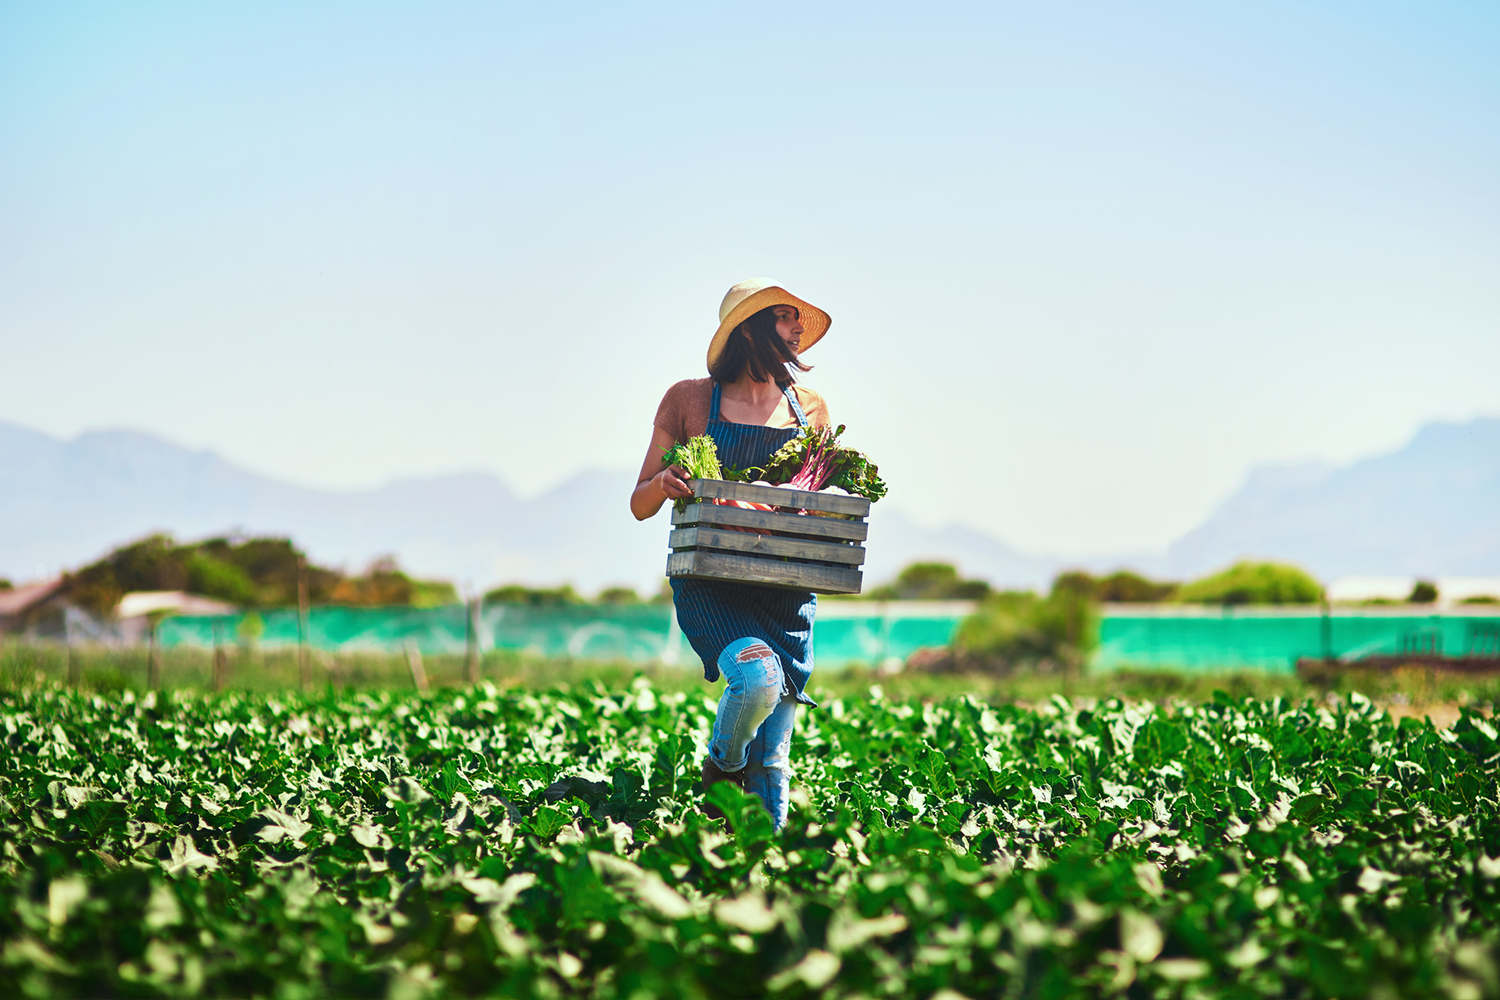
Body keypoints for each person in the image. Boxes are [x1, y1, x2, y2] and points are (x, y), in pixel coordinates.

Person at [630, 277, 833, 831]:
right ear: (749, 328)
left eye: (798, 318)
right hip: (711, 584)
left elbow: (809, 504)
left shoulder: (810, 408)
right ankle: (722, 767)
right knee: (758, 678)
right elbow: (639, 502)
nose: (797, 328)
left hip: (784, 592)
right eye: (784, 316)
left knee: (773, 761)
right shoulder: (689, 399)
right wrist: (669, 480)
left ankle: (757, 876)